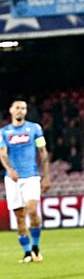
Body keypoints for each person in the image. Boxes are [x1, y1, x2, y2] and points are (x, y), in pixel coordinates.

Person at [0, 99, 51, 263]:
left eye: (23, 108)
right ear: (11, 110)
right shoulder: (3, 132)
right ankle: (28, 252)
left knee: (32, 210)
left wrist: (47, 176)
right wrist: (10, 170)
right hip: (12, 179)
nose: (20, 111)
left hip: (31, 176)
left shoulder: (35, 128)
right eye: (17, 108)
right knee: (19, 217)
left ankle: (36, 246)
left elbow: (42, 151)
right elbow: (2, 153)